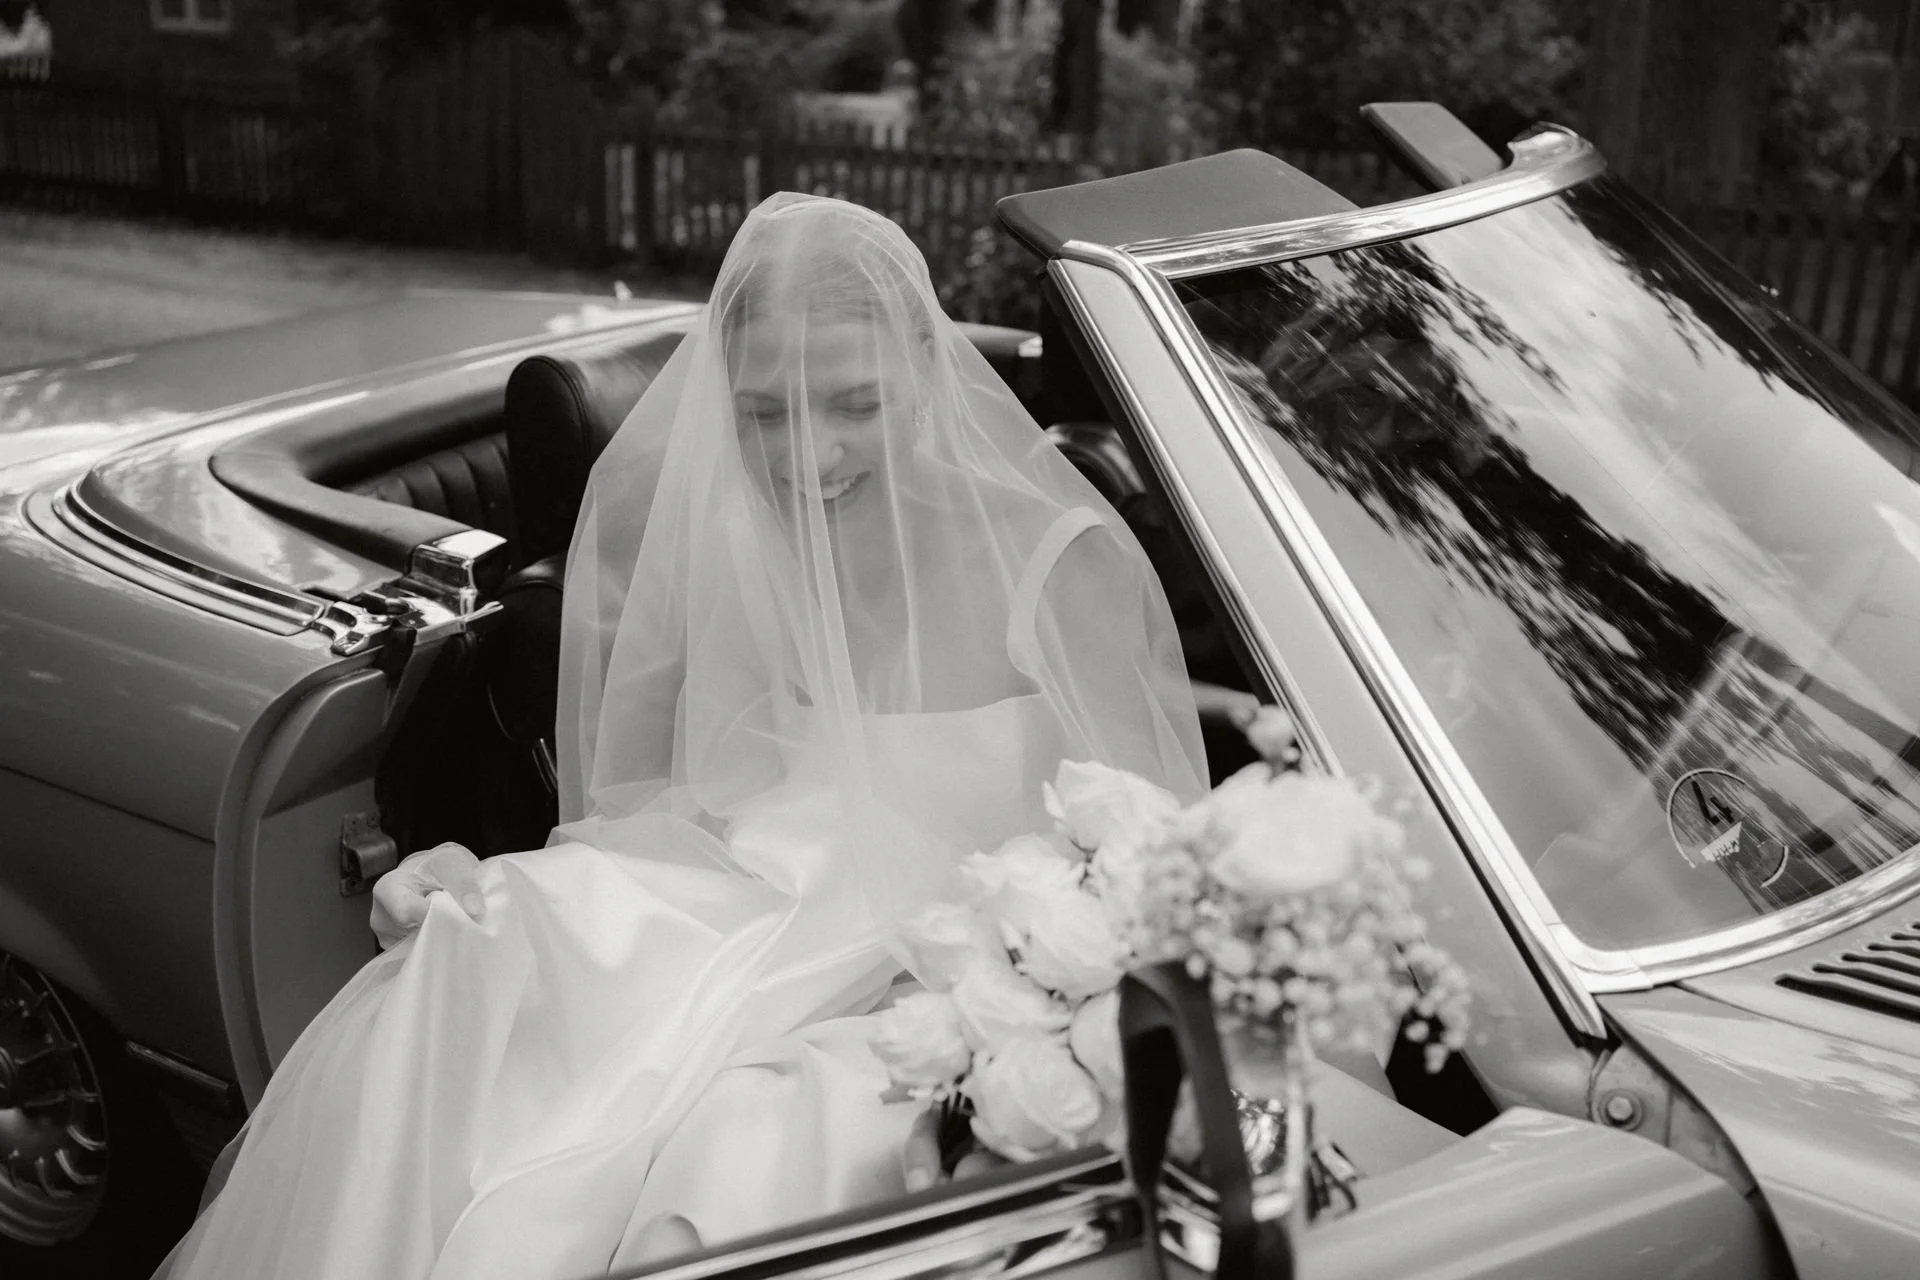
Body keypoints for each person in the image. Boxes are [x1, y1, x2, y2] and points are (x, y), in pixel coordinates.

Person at [156, 193, 1208, 1280]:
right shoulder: (741, 544)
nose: (808, 457)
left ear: (928, 374)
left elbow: (1151, 867)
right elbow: (699, 803)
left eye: (855, 403)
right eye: (763, 414)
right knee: (466, 957)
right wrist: (479, 873)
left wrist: (1010, 990)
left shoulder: (1061, 563)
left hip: (959, 977)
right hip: (756, 915)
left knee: (746, 1154)